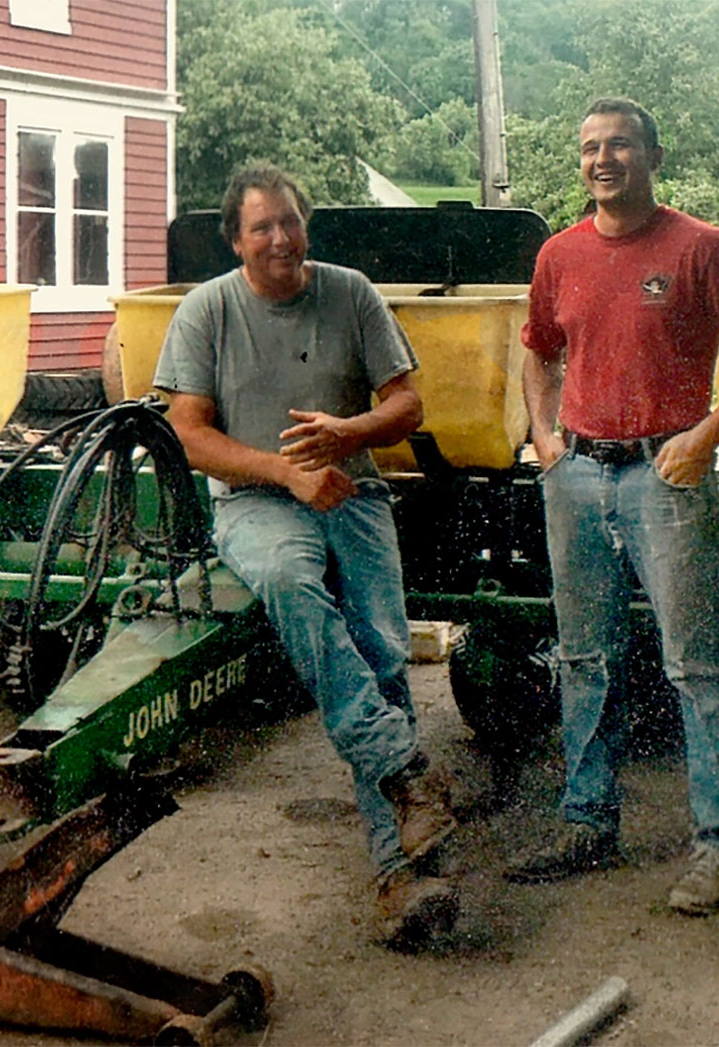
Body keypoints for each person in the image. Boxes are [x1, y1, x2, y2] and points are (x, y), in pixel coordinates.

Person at [504, 98, 719, 915]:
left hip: (666, 480)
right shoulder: (558, 254)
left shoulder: (700, 247)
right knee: (584, 658)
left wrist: (704, 437)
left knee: (695, 666)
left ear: (654, 155)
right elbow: (536, 349)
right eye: (591, 148)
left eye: (621, 145)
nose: (604, 160)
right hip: (577, 477)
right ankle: (587, 824)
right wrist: (544, 437)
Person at [153, 164, 461, 948]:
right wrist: (287, 469)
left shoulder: (351, 292)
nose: (280, 239)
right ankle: (405, 772)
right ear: (236, 238)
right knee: (292, 579)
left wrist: (349, 433)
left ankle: (401, 867)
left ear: (305, 225)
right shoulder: (206, 310)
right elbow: (187, 433)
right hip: (258, 499)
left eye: (290, 222)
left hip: (352, 492)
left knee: (385, 654)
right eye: (262, 227)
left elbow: (407, 403)